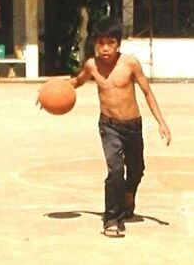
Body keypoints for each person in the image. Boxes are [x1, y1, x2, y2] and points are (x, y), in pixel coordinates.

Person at [71, 17, 171, 238]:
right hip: (109, 126)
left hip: (133, 126)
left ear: (118, 44)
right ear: (95, 44)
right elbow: (76, 83)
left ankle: (128, 193)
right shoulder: (91, 66)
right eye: (101, 43)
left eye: (110, 43)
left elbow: (146, 92)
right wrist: (51, 90)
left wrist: (161, 123)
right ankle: (111, 219)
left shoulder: (130, 64)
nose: (105, 48)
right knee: (115, 170)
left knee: (137, 169)